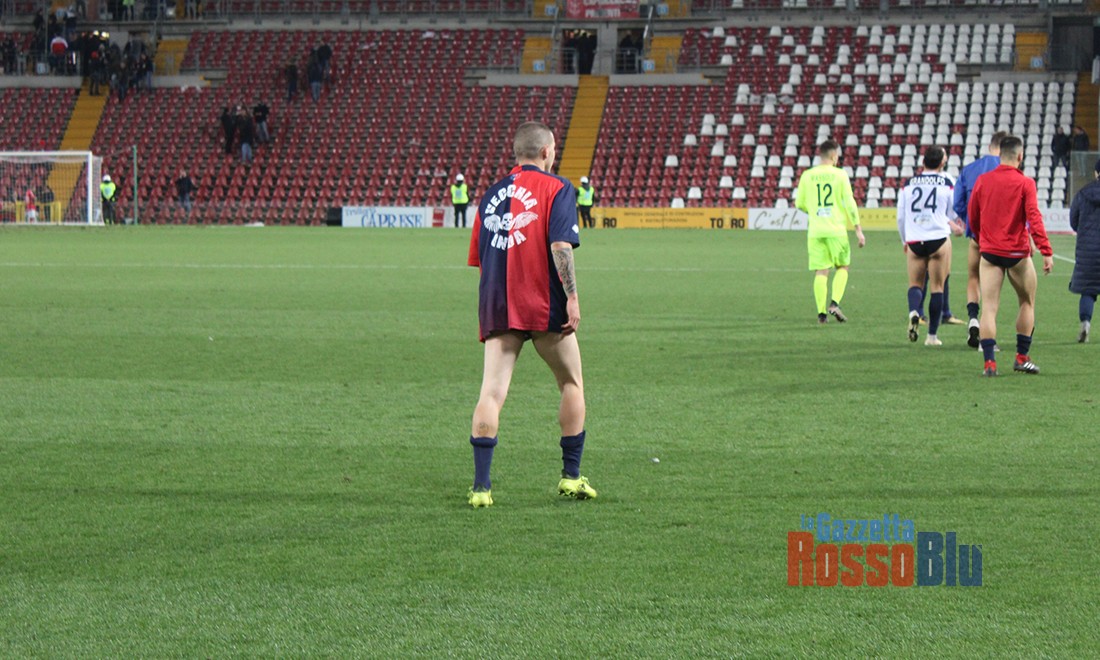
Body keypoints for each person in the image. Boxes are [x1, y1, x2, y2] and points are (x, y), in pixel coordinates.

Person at [464, 121, 594, 508]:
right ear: (546, 152)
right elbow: (560, 245)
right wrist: (572, 297)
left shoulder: (490, 194)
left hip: (497, 302)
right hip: (543, 301)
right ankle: (571, 477)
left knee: (491, 392)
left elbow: (480, 257)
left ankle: (481, 489)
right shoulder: (558, 188)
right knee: (571, 383)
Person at [968, 135, 1054, 377]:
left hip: (990, 253)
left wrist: (982, 238)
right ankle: (1021, 358)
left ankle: (989, 364)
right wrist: (1046, 250)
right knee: (1027, 302)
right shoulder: (1026, 183)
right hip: (1017, 253)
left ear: (999, 155)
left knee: (989, 307)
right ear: (1020, 156)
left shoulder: (983, 180)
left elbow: (973, 216)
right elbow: (1034, 217)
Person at [897, 146, 964, 346]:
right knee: (937, 287)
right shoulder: (947, 183)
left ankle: (914, 311)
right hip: (938, 238)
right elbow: (953, 212)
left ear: (923, 161)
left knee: (915, 284)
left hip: (915, 239)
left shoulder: (908, 184)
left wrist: (904, 240)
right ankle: (932, 337)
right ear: (942, 163)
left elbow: (900, 217)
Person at [794, 139, 866, 324]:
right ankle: (834, 304)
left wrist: (814, 211)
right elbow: (849, 203)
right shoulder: (840, 175)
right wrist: (858, 229)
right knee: (843, 266)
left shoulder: (807, 175)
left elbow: (799, 203)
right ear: (834, 156)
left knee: (821, 271)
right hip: (836, 230)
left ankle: (821, 315)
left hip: (816, 231)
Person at [953, 130, 1008, 348]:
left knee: (973, 277)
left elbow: (958, 203)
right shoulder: (1009, 170)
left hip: (977, 236)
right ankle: (989, 337)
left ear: (990, 146)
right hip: (1002, 239)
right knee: (1001, 292)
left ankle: (973, 319)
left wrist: (970, 222)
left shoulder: (969, 169)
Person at [1069, 158, 1100, 343]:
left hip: (1088, 250)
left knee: (1088, 291)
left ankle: (1085, 323)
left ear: (1096, 173)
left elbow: (1074, 221)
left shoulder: (1083, 193)